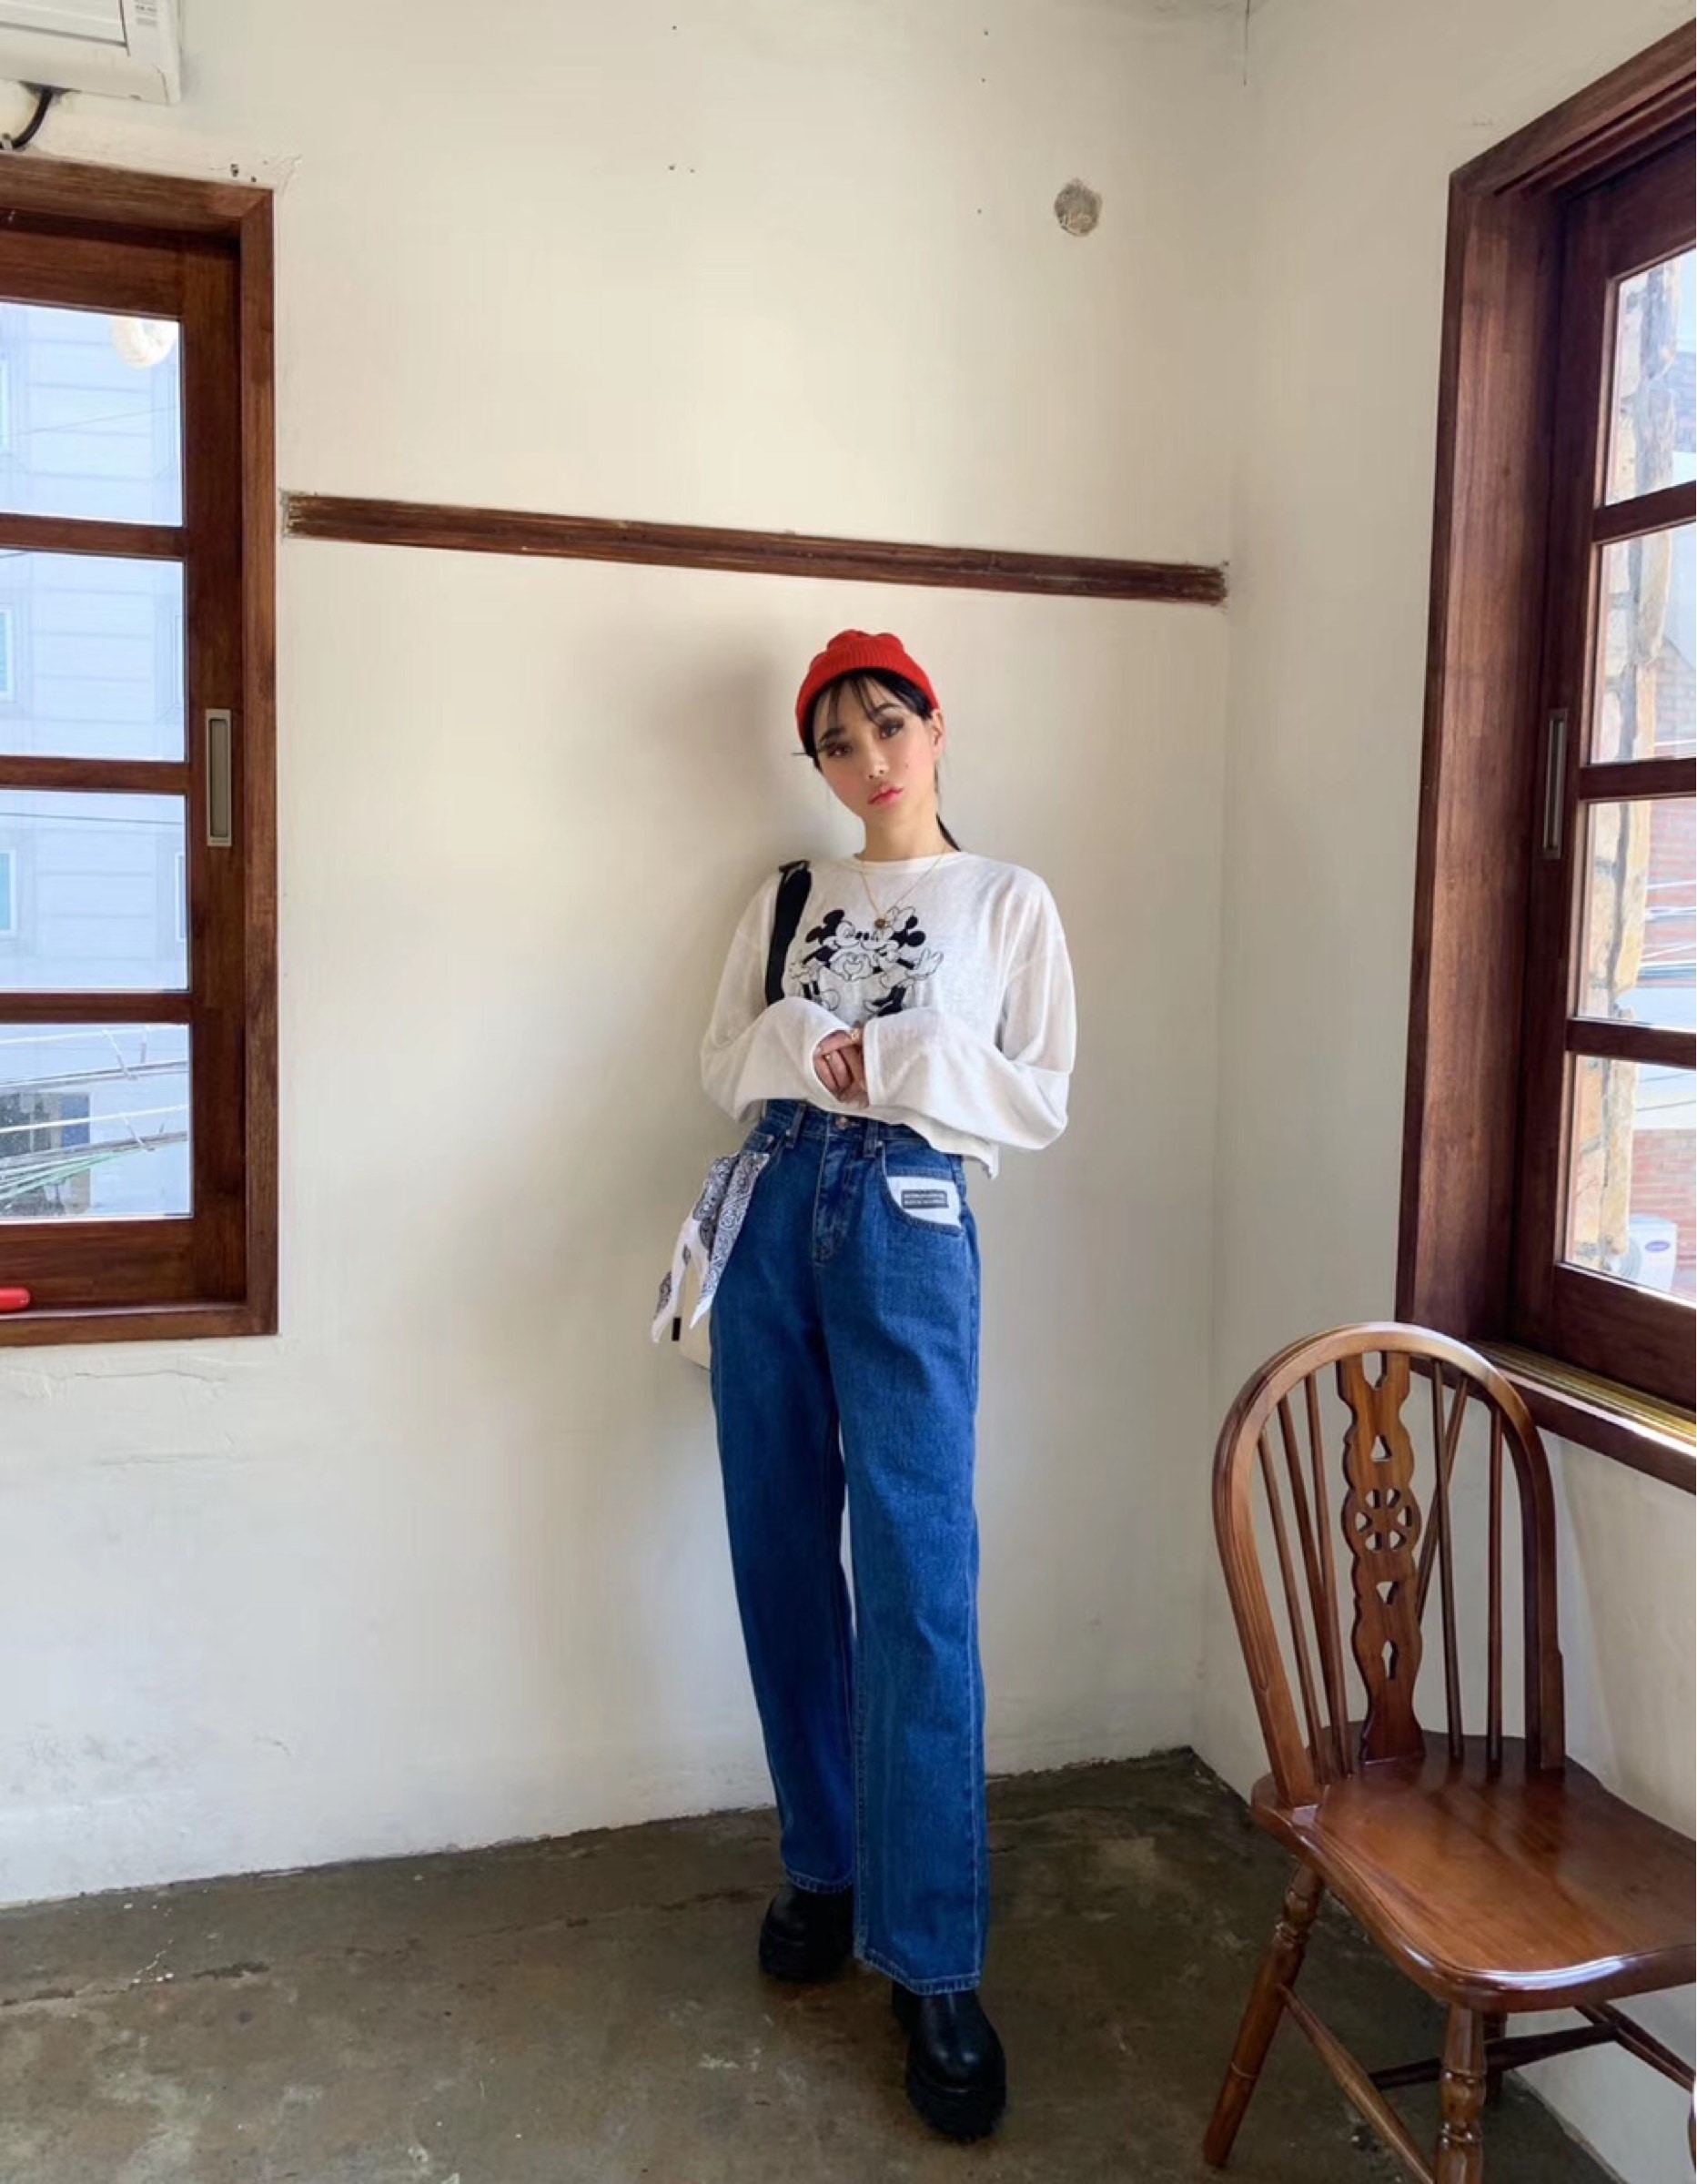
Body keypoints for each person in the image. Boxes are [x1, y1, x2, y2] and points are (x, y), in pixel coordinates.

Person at [698, 629, 1076, 2141]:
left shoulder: (1006, 900)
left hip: (912, 1214)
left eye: (887, 726)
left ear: (935, 725)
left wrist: (902, 1056)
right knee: (780, 1552)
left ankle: (931, 1957)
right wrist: (803, 1040)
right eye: (837, 743)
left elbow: (1039, 1097)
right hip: (773, 1204)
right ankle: (824, 1862)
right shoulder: (786, 895)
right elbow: (721, 1063)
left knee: (920, 1578)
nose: (868, 761)